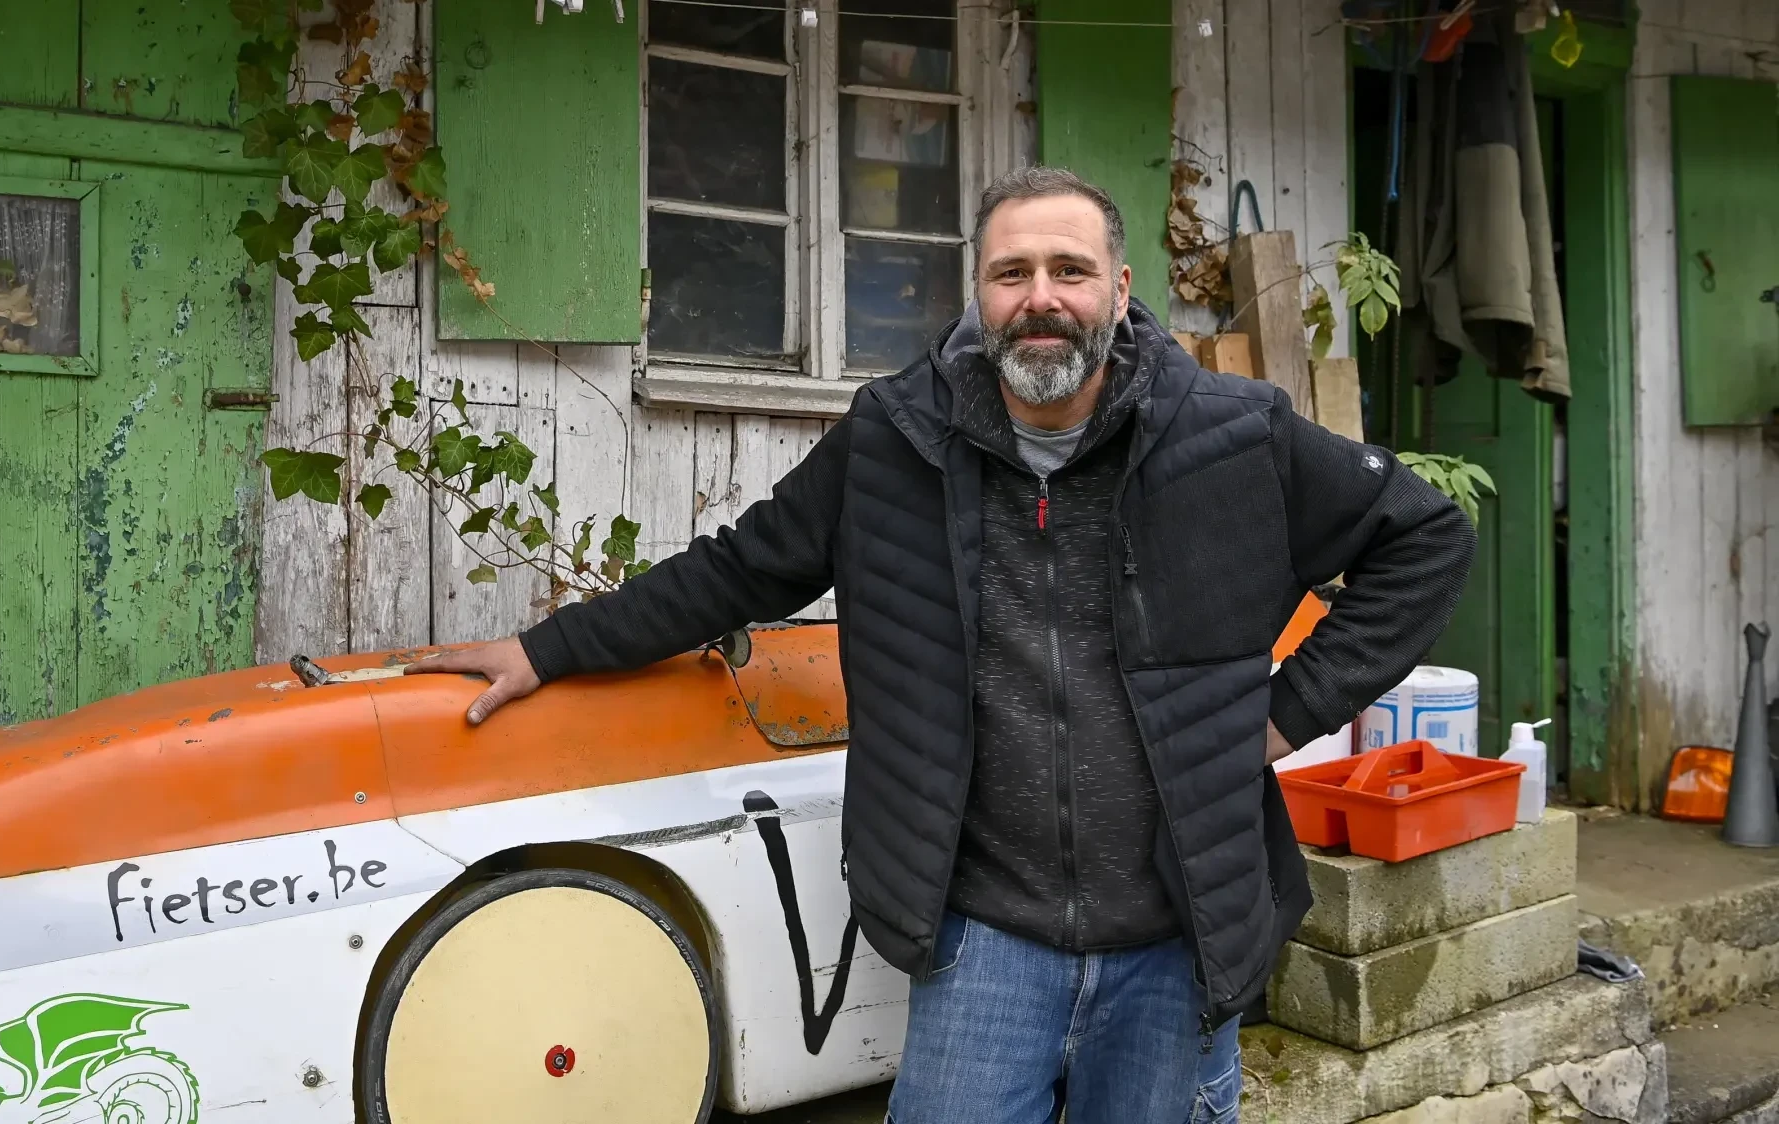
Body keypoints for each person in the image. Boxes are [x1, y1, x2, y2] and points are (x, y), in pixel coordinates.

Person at [407, 166, 1476, 1124]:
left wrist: (1286, 712)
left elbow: (1424, 536)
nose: (1040, 297)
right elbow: (740, 566)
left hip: (1177, 932)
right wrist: (548, 648)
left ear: (1117, 284)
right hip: (984, 941)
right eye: (1011, 272)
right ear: (977, 293)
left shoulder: (1231, 435)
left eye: (1068, 268)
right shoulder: (895, 438)